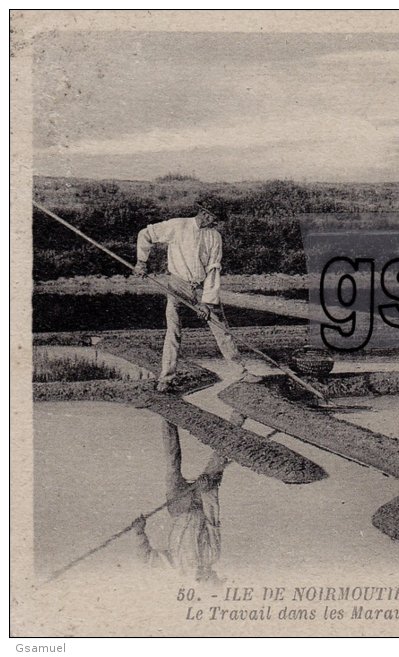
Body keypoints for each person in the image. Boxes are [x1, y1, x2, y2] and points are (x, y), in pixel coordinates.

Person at [133, 201, 260, 391]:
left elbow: (213, 269)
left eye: (215, 218)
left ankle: (240, 373)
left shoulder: (214, 236)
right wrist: (142, 262)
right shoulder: (178, 225)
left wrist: (207, 303)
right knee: (173, 331)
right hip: (177, 285)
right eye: (209, 216)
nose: (212, 220)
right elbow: (146, 234)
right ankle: (166, 378)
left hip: (202, 287)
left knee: (221, 329)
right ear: (202, 212)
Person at [131, 420, 228, 583]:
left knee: (172, 460)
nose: (214, 575)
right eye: (215, 578)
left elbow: (147, 558)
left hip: (178, 508)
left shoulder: (177, 566)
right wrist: (207, 490)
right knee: (218, 462)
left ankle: (166, 414)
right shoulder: (212, 556)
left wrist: (139, 532)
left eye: (214, 579)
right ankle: (238, 417)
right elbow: (212, 518)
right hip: (200, 502)